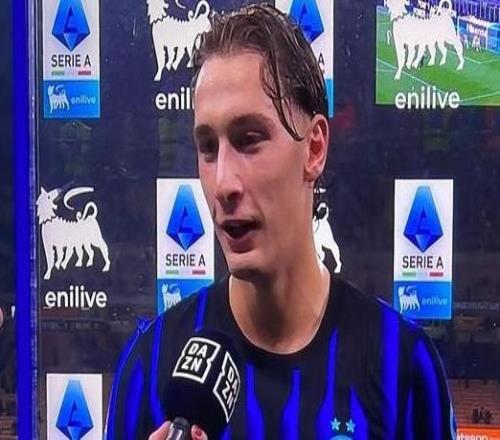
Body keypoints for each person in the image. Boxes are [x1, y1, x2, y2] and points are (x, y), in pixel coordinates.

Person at [106, 4, 455, 439]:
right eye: (208, 147)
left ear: (314, 149)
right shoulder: (151, 366)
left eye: (249, 140)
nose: (222, 183)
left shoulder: (402, 367)